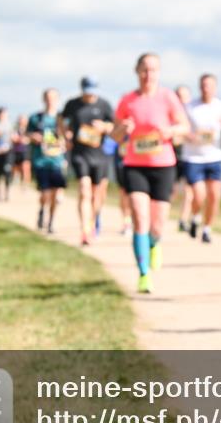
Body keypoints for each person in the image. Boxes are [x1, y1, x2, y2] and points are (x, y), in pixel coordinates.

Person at [112, 53, 189, 294]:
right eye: (144, 69)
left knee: (157, 225)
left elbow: (184, 128)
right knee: (139, 218)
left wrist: (170, 130)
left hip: (163, 165)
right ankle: (143, 273)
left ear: (159, 72)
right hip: (135, 165)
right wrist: (122, 129)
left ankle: (155, 244)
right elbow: (114, 135)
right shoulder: (127, 100)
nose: (148, 74)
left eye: (153, 70)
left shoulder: (168, 97)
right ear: (137, 71)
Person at [59, 77, 114, 246]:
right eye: (87, 92)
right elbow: (60, 119)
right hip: (79, 153)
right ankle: (85, 230)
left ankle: (92, 220)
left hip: (100, 154)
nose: (90, 95)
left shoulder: (104, 105)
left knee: (97, 195)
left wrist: (104, 127)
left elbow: (115, 126)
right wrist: (65, 135)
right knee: (84, 190)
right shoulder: (72, 104)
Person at [182, 73, 221, 244]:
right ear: (200, 87)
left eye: (209, 85)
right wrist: (190, 136)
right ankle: (195, 216)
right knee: (198, 195)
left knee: (214, 196)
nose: (206, 89)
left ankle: (207, 229)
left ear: (215, 88)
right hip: (193, 158)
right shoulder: (189, 107)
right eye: (203, 85)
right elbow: (182, 128)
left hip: (214, 157)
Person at [27, 89, 68, 234]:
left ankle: (51, 221)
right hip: (41, 161)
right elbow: (28, 134)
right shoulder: (36, 118)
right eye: (48, 98)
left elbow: (68, 136)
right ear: (43, 99)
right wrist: (35, 137)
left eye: (53, 98)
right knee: (45, 193)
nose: (50, 101)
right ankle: (42, 210)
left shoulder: (62, 119)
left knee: (56, 194)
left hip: (57, 161)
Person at [172, 85, 195, 233]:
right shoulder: (170, 115)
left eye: (185, 96)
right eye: (179, 96)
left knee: (189, 191)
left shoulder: (193, 116)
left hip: (187, 158)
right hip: (171, 159)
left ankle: (183, 220)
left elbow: (195, 137)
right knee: (170, 192)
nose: (182, 99)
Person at [11, 114, 32, 187]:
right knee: (14, 168)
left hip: (25, 152)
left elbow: (27, 140)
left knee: (25, 168)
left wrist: (20, 139)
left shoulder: (29, 130)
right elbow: (13, 139)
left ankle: (25, 185)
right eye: (20, 120)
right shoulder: (15, 129)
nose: (21, 121)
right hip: (16, 151)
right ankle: (15, 183)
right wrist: (19, 139)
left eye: (22, 120)